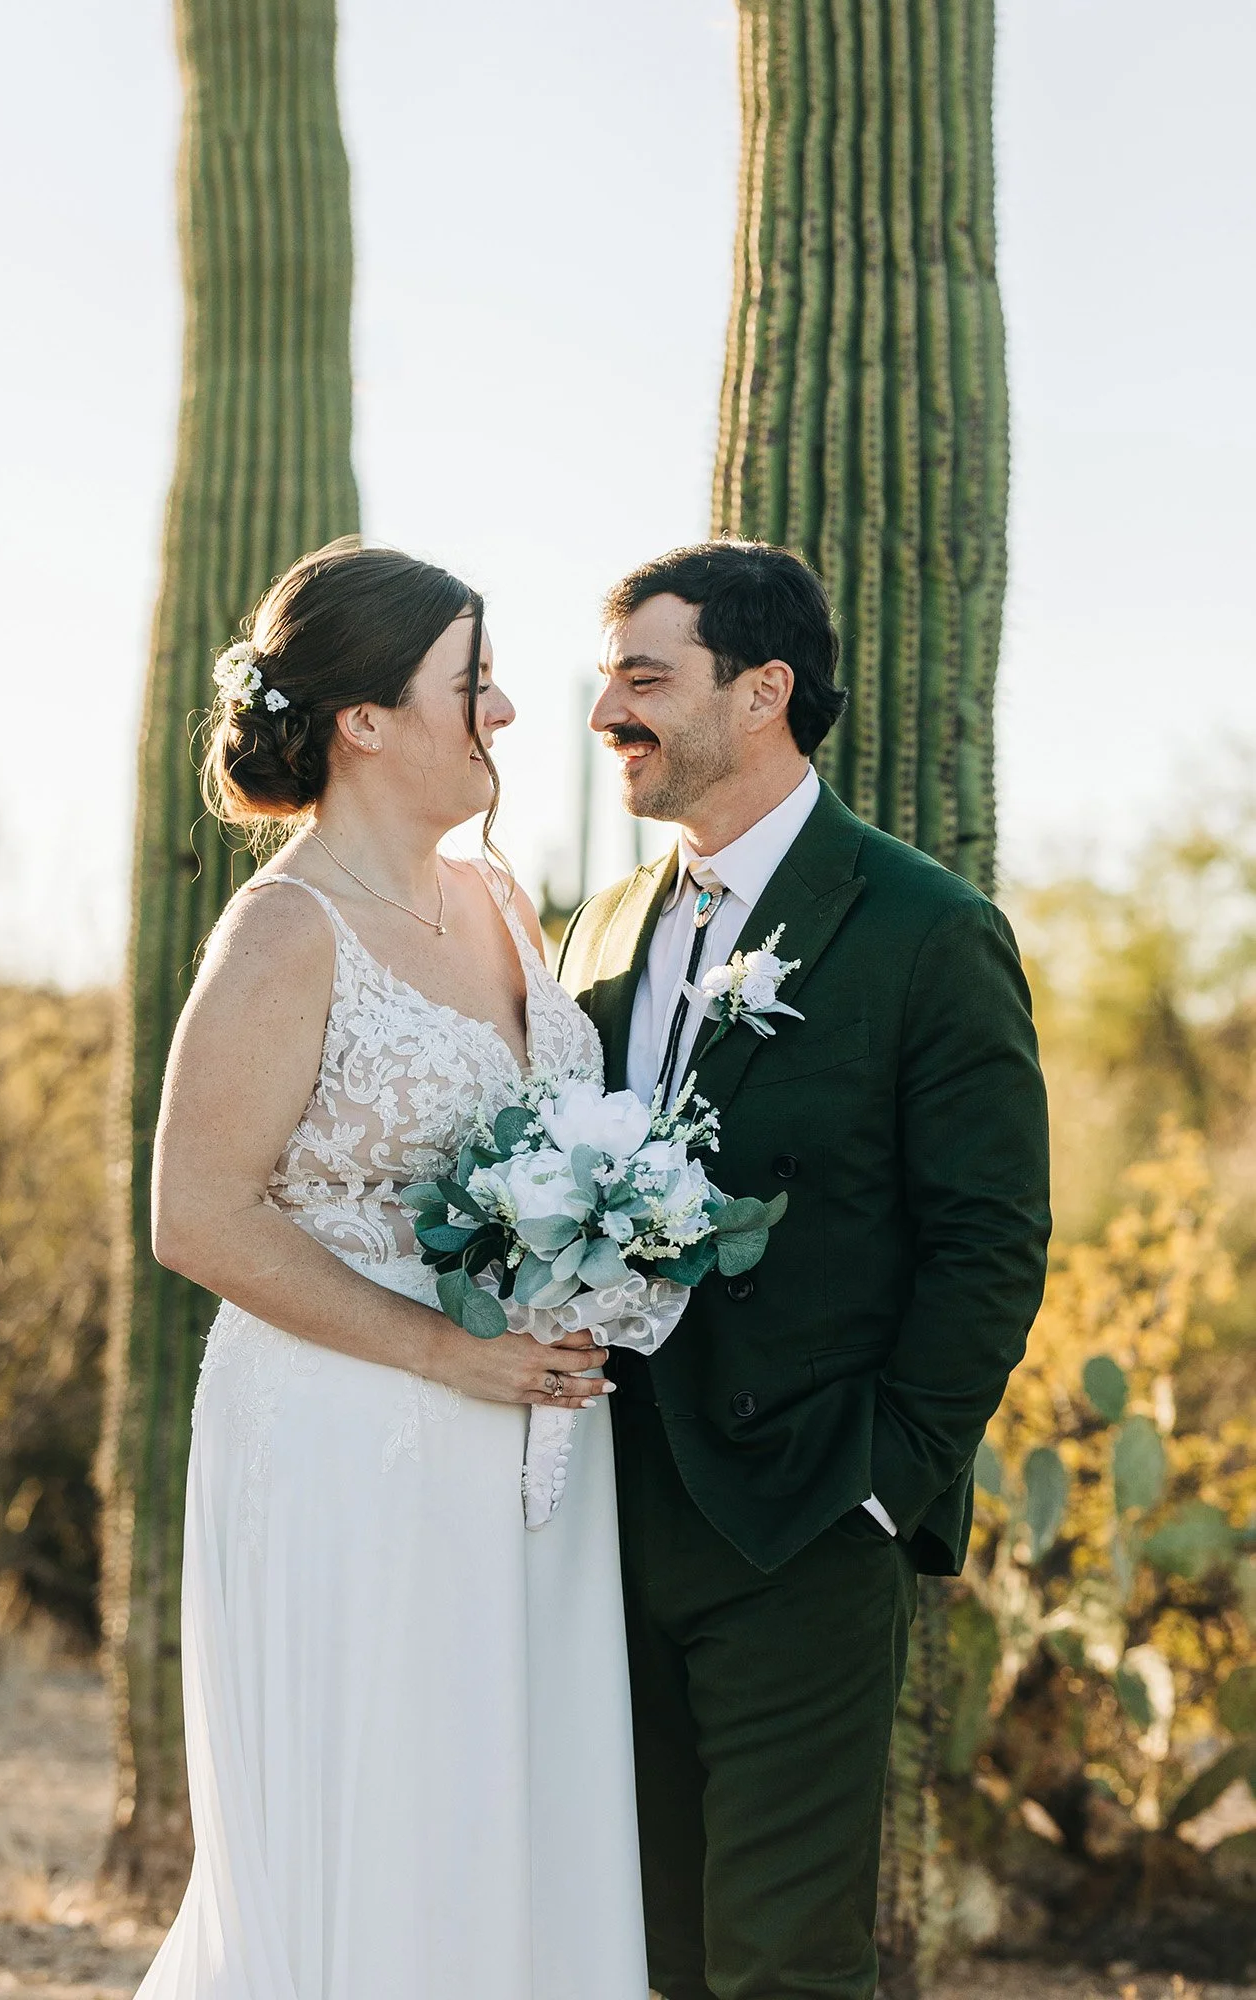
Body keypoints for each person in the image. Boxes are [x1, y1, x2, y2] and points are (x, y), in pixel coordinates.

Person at [135, 538, 649, 2000]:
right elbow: (197, 1216)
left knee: (514, 1815)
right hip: (348, 1439)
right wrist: (445, 1354)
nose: (501, 713)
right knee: (390, 1826)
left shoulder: (495, 898)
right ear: (365, 720)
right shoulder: (283, 932)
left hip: (533, 1439)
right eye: (471, 684)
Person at [557, 538, 1052, 2000]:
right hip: (595, 1516)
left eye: (645, 681)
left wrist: (885, 1481)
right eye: (607, 682)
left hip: (800, 1519)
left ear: (764, 689)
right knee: (642, 1942)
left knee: (781, 1961)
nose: (607, 718)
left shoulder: (925, 933)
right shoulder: (600, 926)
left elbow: (991, 1241)